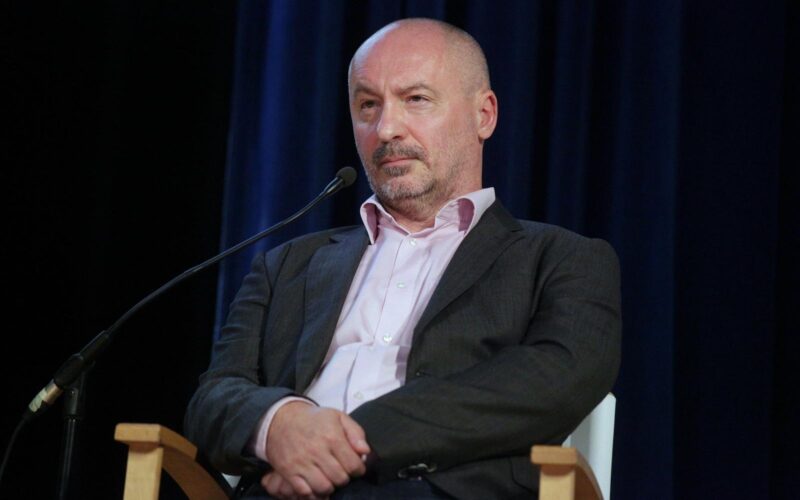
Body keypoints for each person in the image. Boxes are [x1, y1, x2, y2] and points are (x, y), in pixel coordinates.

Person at [185, 18, 621, 500]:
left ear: (484, 115)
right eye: (368, 105)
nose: (386, 128)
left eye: (416, 99)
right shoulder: (287, 264)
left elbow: (554, 380)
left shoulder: (563, 260)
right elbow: (214, 398)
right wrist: (280, 424)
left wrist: (350, 441)